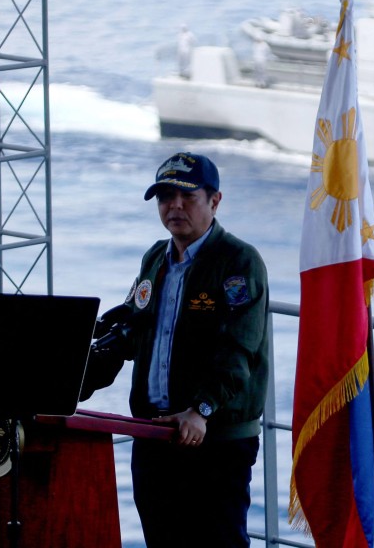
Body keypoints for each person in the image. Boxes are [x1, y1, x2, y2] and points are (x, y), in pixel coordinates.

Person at [81, 151, 270, 548]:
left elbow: (239, 349)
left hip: (214, 440)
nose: (175, 206)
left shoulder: (238, 261)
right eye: (166, 197)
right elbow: (131, 331)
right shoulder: (155, 258)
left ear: (215, 201)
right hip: (154, 436)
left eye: (188, 196)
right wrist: (67, 383)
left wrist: (200, 411)